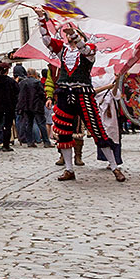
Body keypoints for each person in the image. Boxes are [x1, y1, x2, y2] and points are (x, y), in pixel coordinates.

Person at [50, 23, 117, 181]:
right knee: (63, 132)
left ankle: (114, 167)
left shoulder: (89, 51)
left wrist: (74, 34)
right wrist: (41, 18)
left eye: (73, 36)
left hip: (83, 93)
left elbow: (85, 49)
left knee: (97, 129)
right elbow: (49, 42)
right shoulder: (64, 52)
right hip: (65, 93)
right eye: (69, 37)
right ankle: (69, 169)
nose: (70, 39)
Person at [15, 68, 47, 147]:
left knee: (29, 124)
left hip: (26, 107)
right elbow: (41, 94)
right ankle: (46, 142)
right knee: (41, 123)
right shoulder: (37, 82)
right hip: (36, 106)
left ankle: (30, 141)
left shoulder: (22, 83)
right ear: (35, 74)